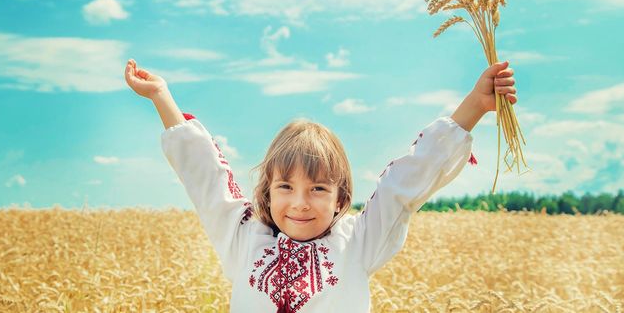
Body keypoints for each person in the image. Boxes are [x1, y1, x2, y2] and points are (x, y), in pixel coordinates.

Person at [124, 58, 517, 312]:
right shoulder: (243, 237)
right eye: (285, 187)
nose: (300, 203)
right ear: (265, 192)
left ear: (341, 198)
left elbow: (404, 182)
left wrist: (475, 107)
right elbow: (206, 177)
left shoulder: (359, 241)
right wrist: (161, 97)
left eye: (318, 189)